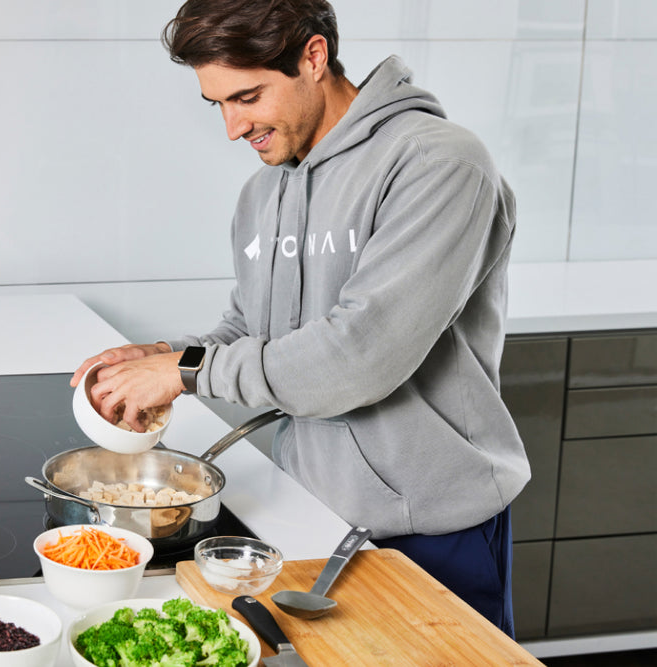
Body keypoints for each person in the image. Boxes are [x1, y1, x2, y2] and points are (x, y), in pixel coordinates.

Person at [70, 0, 530, 637]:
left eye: (248, 96)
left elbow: (360, 357)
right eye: (219, 105)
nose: (234, 127)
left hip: (432, 528)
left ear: (314, 57)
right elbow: (252, 332)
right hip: (311, 517)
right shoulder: (267, 188)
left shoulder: (438, 164)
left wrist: (183, 372)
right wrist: (159, 356)